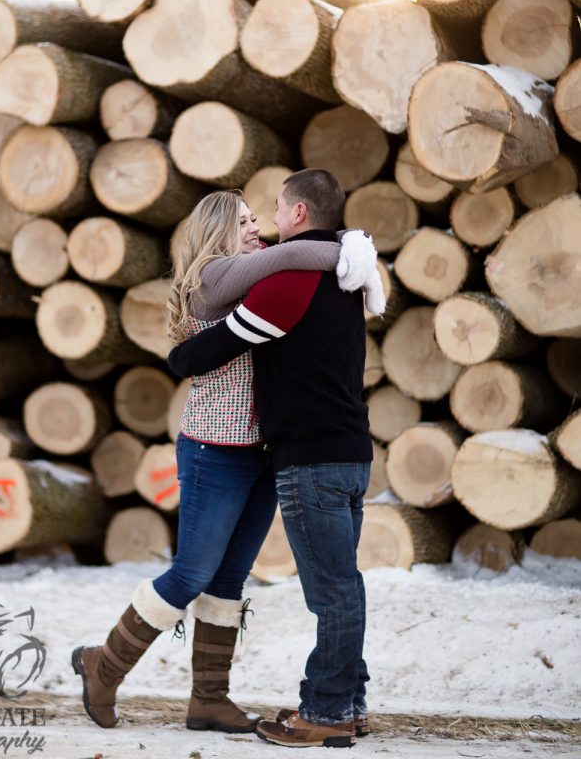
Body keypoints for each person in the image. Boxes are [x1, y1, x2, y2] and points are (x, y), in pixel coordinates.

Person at [72, 188, 378, 734]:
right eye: (244, 222)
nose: (256, 229)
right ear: (216, 230)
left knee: (230, 581)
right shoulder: (214, 277)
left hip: (262, 451)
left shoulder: (251, 275)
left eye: (257, 220)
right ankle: (105, 664)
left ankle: (209, 699)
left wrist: (348, 248)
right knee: (192, 571)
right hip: (214, 449)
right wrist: (347, 247)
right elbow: (291, 255)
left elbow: (288, 264)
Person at [168, 169, 384, 749]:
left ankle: (328, 711)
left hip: (311, 456)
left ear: (297, 214)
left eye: (273, 210)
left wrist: (178, 357)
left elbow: (223, 341)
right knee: (344, 585)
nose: (264, 223)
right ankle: (349, 702)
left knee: (332, 592)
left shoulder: (291, 279)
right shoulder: (344, 277)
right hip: (348, 450)